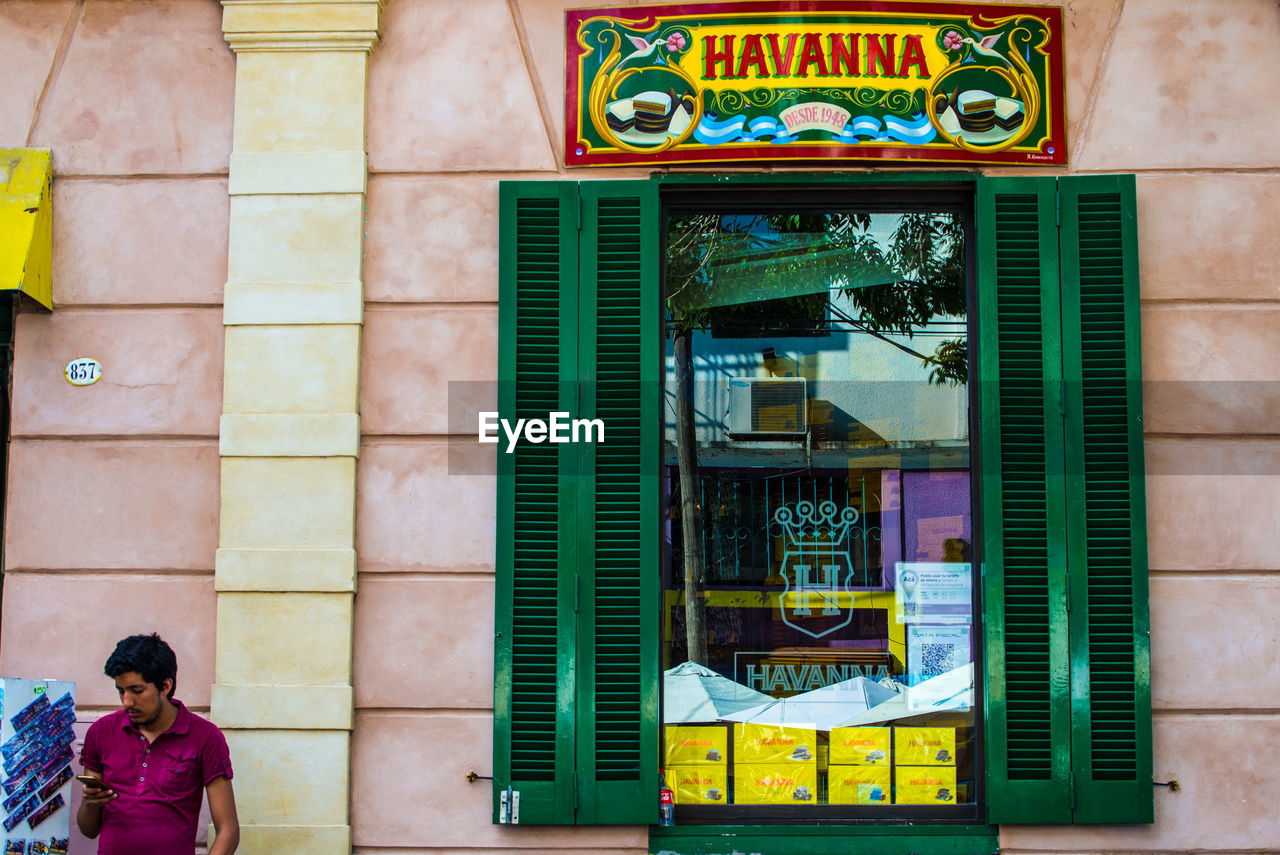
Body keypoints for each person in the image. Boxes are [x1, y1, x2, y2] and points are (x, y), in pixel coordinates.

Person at [76, 633, 240, 855]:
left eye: (137, 691)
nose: (127, 702)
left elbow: (228, 831)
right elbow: (88, 830)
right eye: (121, 691)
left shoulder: (206, 737)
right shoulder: (101, 733)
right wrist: (91, 804)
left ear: (165, 686)